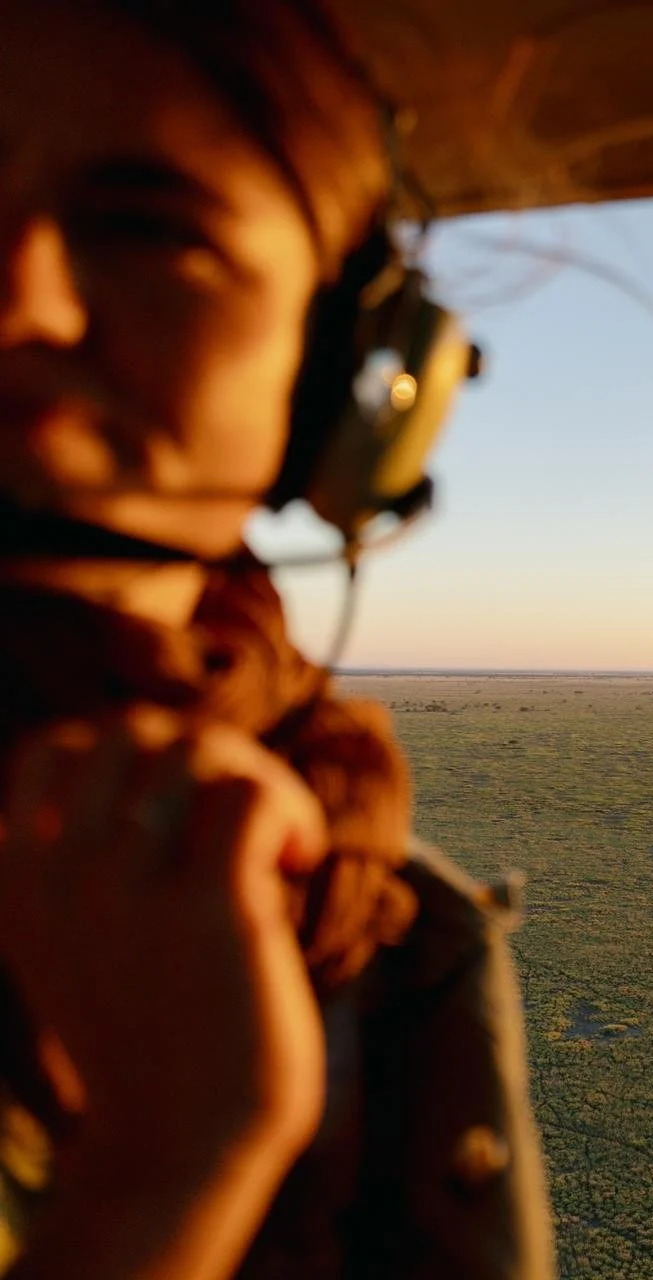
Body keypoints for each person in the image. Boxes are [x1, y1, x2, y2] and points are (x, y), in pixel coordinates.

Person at [0, 1, 553, 1276]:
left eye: (143, 226)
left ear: (341, 376)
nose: (18, 300)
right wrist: (158, 1182)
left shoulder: (374, 913)